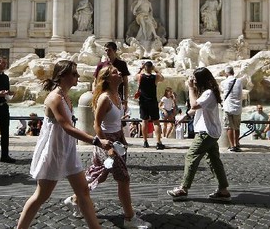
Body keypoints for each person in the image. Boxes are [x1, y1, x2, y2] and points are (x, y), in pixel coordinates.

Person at [17, 60, 111, 229]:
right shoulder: (55, 97)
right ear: (62, 76)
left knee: (83, 192)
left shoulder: (65, 96)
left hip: (68, 150)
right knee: (41, 195)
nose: (78, 76)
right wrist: (96, 140)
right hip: (54, 151)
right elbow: (67, 127)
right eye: (74, 74)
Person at [64, 65, 151, 228]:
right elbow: (96, 125)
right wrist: (107, 146)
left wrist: (123, 138)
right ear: (107, 79)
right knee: (123, 179)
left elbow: (117, 122)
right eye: (115, 72)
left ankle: (75, 199)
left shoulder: (116, 95)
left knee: (100, 174)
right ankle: (129, 218)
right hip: (106, 142)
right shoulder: (104, 98)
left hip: (117, 140)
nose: (119, 73)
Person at [167, 67, 230, 201]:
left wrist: (190, 88)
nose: (193, 81)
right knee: (214, 160)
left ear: (201, 80)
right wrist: (184, 116)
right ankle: (223, 190)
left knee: (191, 156)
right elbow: (197, 109)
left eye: (195, 79)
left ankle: (183, 188)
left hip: (205, 133)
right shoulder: (209, 92)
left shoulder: (208, 93)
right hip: (212, 132)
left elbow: (194, 105)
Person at [136, 61, 165, 150]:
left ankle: (145, 141)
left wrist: (141, 68)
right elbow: (162, 78)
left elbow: (135, 76)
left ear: (145, 68)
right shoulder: (155, 77)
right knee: (156, 122)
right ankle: (158, 142)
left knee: (144, 121)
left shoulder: (140, 76)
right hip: (153, 101)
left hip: (143, 102)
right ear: (151, 68)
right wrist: (155, 69)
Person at [94, 42, 131, 107]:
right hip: (103, 96)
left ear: (115, 50)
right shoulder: (101, 65)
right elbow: (96, 82)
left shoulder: (122, 64)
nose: (107, 52)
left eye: (109, 50)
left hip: (118, 96)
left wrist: (125, 100)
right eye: (106, 50)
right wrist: (95, 94)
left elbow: (125, 83)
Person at [220, 66, 242, 152]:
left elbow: (223, 92)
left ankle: (232, 145)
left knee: (229, 127)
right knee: (237, 127)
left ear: (226, 73)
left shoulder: (224, 82)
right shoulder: (239, 81)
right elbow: (240, 93)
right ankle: (237, 144)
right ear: (233, 72)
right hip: (237, 107)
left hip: (228, 107)